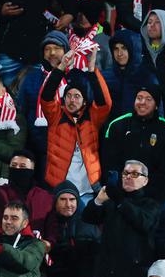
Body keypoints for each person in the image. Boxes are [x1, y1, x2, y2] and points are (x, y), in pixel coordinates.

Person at [85, 159, 163, 277]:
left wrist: (120, 200)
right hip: (108, 269)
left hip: (136, 272)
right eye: (125, 173)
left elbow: (144, 223)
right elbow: (88, 218)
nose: (128, 177)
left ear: (145, 181)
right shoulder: (112, 201)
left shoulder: (151, 204)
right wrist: (98, 200)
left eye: (134, 174)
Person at [40, 61, 112, 193]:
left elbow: (105, 104)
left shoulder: (92, 117)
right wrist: (60, 68)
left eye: (77, 96)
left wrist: (92, 72)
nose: (72, 100)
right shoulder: (56, 115)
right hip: (60, 189)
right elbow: (46, 97)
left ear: (85, 101)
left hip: (89, 189)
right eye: (68, 95)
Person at [41, 182, 101, 277]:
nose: (68, 204)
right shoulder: (46, 223)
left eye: (72, 199)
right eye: (63, 199)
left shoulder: (88, 223)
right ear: (55, 202)